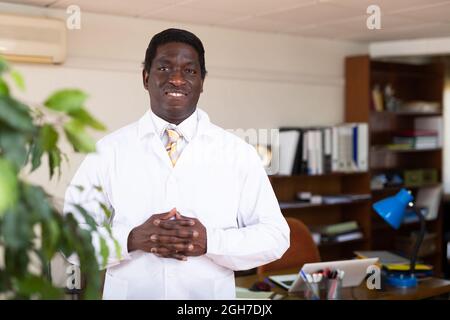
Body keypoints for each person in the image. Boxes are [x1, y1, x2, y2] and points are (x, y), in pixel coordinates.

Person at [63, 28, 290, 300]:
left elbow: (275, 236)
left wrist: (211, 242)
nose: (177, 79)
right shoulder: (107, 151)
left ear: (202, 81)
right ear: (146, 78)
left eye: (190, 71)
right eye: (164, 68)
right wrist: (131, 239)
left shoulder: (238, 153)